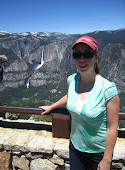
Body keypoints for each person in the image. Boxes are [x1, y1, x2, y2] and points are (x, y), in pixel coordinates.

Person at [39, 36, 119, 170]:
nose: (82, 59)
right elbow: (70, 96)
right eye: (77, 55)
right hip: (75, 148)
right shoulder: (72, 80)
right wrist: (52, 107)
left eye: (87, 54)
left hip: (98, 153)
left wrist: (106, 159)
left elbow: (112, 128)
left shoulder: (108, 89)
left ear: (96, 57)